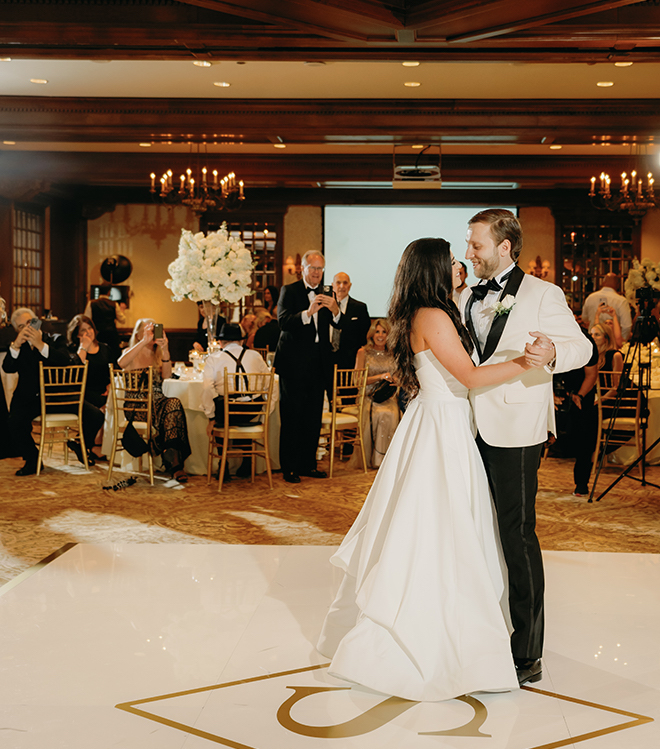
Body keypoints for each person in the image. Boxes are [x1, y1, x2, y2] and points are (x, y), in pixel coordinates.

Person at [318, 237, 546, 702]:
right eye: (451, 261)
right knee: (442, 531)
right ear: (433, 269)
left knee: (441, 527)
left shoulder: (430, 310)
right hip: (442, 429)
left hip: (441, 422)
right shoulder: (434, 316)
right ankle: (431, 635)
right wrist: (526, 362)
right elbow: (471, 377)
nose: (459, 265)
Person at [461, 208, 592, 686]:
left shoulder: (543, 293)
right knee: (470, 529)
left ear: (504, 248)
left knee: (516, 535)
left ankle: (527, 650)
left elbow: (584, 348)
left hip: (516, 426)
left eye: (476, 245)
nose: (468, 252)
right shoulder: (463, 295)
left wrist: (553, 353)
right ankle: (475, 630)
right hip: (463, 425)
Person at [274, 251, 340, 484]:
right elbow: (282, 322)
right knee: (292, 417)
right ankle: (289, 467)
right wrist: (307, 313)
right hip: (293, 364)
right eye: (312, 268)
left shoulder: (327, 292)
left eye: (320, 269)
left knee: (313, 417)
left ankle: (308, 464)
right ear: (302, 269)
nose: (316, 273)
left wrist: (335, 311)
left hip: (318, 363)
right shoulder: (288, 291)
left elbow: (336, 325)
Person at [118, 318, 191, 482]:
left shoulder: (157, 355)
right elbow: (121, 363)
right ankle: (173, 461)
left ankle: (174, 461)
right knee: (169, 406)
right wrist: (143, 342)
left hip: (158, 402)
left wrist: (165, 348)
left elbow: (167, 376)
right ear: (138, 335)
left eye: (153, 330)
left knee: (174, 403)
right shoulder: (131, 351)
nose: (151, 334)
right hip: (136, 405)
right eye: (147, 331)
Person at [2, 307, 72, 475]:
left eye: (29, 323)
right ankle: (32, 459)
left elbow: (65, 361)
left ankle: (85, 450)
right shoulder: (19, 347)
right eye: (21, 327)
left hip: (58, 398)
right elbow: (8, 368)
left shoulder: (55, 339)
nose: (27, 328)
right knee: (14, 422)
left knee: (94, 416)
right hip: (29, 399)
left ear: (36, 322)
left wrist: (41, 345)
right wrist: (16, 345)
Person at [201, 322, 272, 478]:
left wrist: (211, 417)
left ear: (220, 342)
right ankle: (247, 462)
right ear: (242, 341)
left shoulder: (214, 358)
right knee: (243, 406)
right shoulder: (255, 355)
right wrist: (265, 413)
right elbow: (269, 385)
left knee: (220, 407)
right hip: (253, 411)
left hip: (228, 413)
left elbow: (207, 389)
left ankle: (223, 464)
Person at [66, 314, 113, 464]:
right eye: (83, 331)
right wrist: (83, 347)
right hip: (82, 392)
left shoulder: (105, 348)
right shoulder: (73, 350)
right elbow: (77, 373)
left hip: (103, 391)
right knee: (102, 408)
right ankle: (90, 446)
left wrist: (110, 385)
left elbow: (112, 371)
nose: (88, 333)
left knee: (109, 404)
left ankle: (84, 444)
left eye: (89, 328)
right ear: (77, 335)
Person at [356, 318, 399, 468]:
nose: (380, 335)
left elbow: (400, 376)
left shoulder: (393, 353)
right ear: (372, 334)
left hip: (388, 397)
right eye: (377, 332)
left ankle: (387, 459)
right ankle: (376, 460)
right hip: (368, 398)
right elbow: (357, 380)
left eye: (384, 332)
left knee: (392, 413)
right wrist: (379, 377)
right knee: (380, 414)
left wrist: (395, 380)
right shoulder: (363, 352)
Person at [581, 273, 633, 343]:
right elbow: (626, 326)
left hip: (593, 340)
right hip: (612, 342)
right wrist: (621, 342)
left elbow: (584, 319)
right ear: (618, 285)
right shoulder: (621, 300)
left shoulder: (590, 298)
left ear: (603, 282)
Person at [84, 285, 127, 362]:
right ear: (109, 292)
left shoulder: (92, 303)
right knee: (112, 358)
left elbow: (86, 319)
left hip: (97, 334)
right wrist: (122, 309)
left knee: (98, 357)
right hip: (111, 335)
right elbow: (122, 320)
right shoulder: (114, 304)